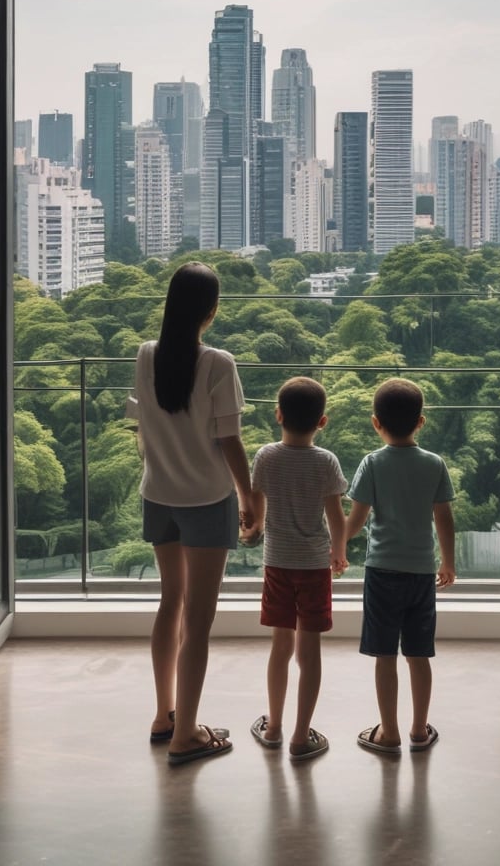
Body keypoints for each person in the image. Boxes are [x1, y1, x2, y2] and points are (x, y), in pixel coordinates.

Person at [128, 261, 254, 765]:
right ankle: (187, 738)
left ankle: (165, 717)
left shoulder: (146, 355)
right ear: (211, 309)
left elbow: (142, 429)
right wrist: (250, 500)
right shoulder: (218, 364)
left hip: (158, 495)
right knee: (198, 619)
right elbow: (230, 441)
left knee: (170, 603)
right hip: (205, 499)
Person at [345, 378, 456, 755]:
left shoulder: (372, 463)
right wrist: (449, 561)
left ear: (376, 423)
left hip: (381, 572)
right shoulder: (434, 464)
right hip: (421, 572)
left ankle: (388, 731)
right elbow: (444, 518)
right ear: (420, 422)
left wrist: (334, 545)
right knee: (419, 654)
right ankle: (420, 730)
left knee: (384, 655)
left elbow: (357, 521)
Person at [241, 377, 348, 761]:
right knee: (310, 651)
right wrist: (338, 551)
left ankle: (273, 728)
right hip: (315, 565)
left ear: (278, 415)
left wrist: (251, 530)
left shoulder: (266, 456)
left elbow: (256, 509)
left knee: (280, 648)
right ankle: (301, 737)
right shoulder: (326, 461)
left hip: (278, 563)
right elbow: (336, 517)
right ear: (322, 421)